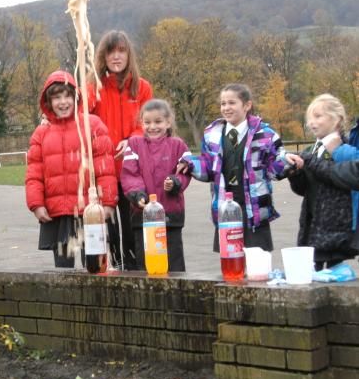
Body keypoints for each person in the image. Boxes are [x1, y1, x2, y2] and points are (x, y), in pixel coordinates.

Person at [177, 83, 300, 254]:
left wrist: (286, 162)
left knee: (256, 266)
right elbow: (208, 166)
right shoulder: (211, 134)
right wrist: (190, 163)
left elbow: (273, 168)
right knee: (230, 263)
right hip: (225, 206)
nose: (226, 107)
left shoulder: (266, 134)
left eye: (232, 103)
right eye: (223, 103)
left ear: (247, 105)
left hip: (254, 208)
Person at [26, 70, 117, 268]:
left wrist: (108, 202)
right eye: (57, 97)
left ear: (76, 97)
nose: (63, 102)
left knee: (95, 264)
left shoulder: (92, 125)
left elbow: (106, 167)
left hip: (89, 210)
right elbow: (34, 173)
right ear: (48, 102)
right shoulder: (41, 133)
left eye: (67, 95)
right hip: (57, 211)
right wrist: (36, 204)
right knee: (62, 268)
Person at [88, 30, 153, 270]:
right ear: (103, 56)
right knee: (109, 227)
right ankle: (112, 267)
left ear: (128, 55)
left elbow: (146, 123)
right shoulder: (94, 85)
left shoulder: (142, 87)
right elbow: (77, 111)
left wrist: (131, 139)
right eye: (111, 52)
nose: (116, 57)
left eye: (121, 51)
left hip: (132, 171)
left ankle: (136, 270)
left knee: (132, 224)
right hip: (104, 170)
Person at [120, 99, 191, 272]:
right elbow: (130, 174)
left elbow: (186, 172)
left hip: (171, 216)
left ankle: (176, 296)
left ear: (168, 122)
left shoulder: (178, 145)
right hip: (142, 217)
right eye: (147, 122)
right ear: (141, 123)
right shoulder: (134, 144)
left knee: (173, 265)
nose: (153, 127)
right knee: (146, 266)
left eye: (158, 122)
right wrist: (137, 195)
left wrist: (175, 183)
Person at [288, 94, 356, 270]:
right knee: (313, 275)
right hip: (312, 222)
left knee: (333, 275)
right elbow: (303, 190)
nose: (312, 122)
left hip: (335, 226)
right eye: (310, 118)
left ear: (337, 119)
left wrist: (310, 161)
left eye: (318, 116)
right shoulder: (311, 150)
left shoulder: (344, 149)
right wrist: (295, 174)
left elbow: (339, 177)